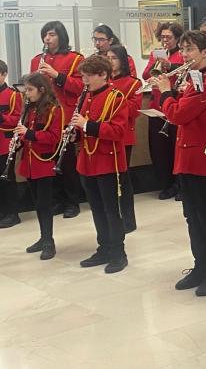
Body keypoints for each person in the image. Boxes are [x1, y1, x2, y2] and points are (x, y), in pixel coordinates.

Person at [158, 30, 206, 297]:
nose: (184, 55)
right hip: (189, 158)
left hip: (203, 160)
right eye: (183, 49)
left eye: (189, 49)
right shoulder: (195, 78)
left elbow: (177, 114)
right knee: (193, 218)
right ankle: (201, 267)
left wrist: (165, 93)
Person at [72, 55, 129, 274]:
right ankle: (103, 248)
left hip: (108, 161)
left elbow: (118, 131)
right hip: (87, 161)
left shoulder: (116, 97)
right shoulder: (86, 96)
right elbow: (82, 130)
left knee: (111, 210)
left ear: (103, 75)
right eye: (83, 76)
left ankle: (118, 253)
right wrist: (75, 134)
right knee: (96, 208)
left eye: (88, 76)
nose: (84, 80)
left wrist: (87, 125)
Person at [31, 21, 85, 218]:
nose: (47, 39)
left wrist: (56, 75)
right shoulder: (37, 60)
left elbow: (81, 87)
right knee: (48, 161)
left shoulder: (75, 58)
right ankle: (57, 200)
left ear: (61, 36)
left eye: (52, 34)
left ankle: (73, 201)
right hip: (44, 116)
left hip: (65, 115)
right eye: (45, 35)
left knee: (67, 161)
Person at [15, 73, 63, 259]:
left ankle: (49, 241)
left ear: (42, 90)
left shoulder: (53, 109)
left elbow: (54, 137)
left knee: (44, 204)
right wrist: (19, 141)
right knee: (37, 203)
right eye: (26, 90)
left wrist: (29, 134)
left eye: (30, 90)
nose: (27, 94)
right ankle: (43, 238)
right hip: (29, 162)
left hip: (44, 162)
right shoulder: (30, 108)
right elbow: (24, 133)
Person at [141, 22, 184, 200]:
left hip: (174, 104)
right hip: (157, 107)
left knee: (175, 148)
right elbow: (145, 75)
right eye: (163, 37)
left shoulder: (182, 55)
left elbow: (184, 74)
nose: (165, 40)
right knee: (159, 149)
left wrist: (169, 66)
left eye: (169, 37)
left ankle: (180, 185)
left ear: (177, 38)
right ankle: (166, 184)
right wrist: (156, 66)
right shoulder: (156, 54)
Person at [107, 45, 142, 233]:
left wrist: (113, 101)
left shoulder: (133, 83)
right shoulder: (103, 82)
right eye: (107, 58)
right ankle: (114, 219)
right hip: (105, 135)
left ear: (122, 61)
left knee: (123, 179)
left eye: (113, 58)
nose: (110, 61)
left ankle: (129, 220)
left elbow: (134, 110)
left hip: (124, 135)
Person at [0, 60, 24, 228]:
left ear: (4, 74)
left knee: (7, 179)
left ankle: (12, 213)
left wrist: (1, 117)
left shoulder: (13, 95)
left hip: (5, 143)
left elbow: (17, 119)